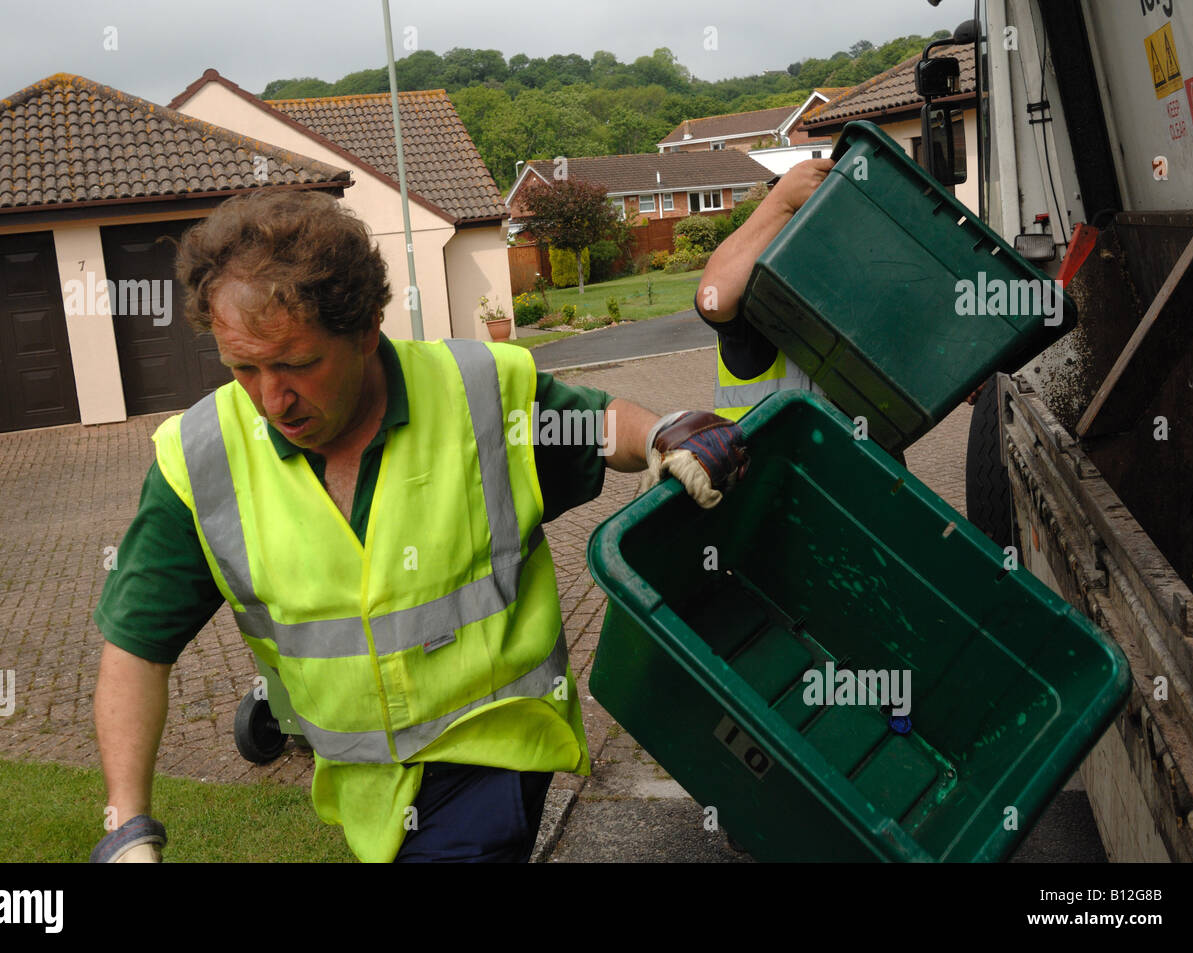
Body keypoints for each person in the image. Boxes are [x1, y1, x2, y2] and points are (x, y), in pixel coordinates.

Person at [90, 189, 749, 864]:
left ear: (367, 327)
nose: (271, 398)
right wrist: (127, 829)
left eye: (297, 364)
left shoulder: (475, 393)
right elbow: (136, 644)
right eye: (243, 368)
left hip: (494, 746)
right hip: (365, 786)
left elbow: (598, 422)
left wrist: (667, 432)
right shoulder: (199, 460)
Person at [697, 159, 835, 421]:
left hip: (862, 459)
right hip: (767, 456)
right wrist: (782, 202)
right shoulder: (764, 298)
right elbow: (712, 299)